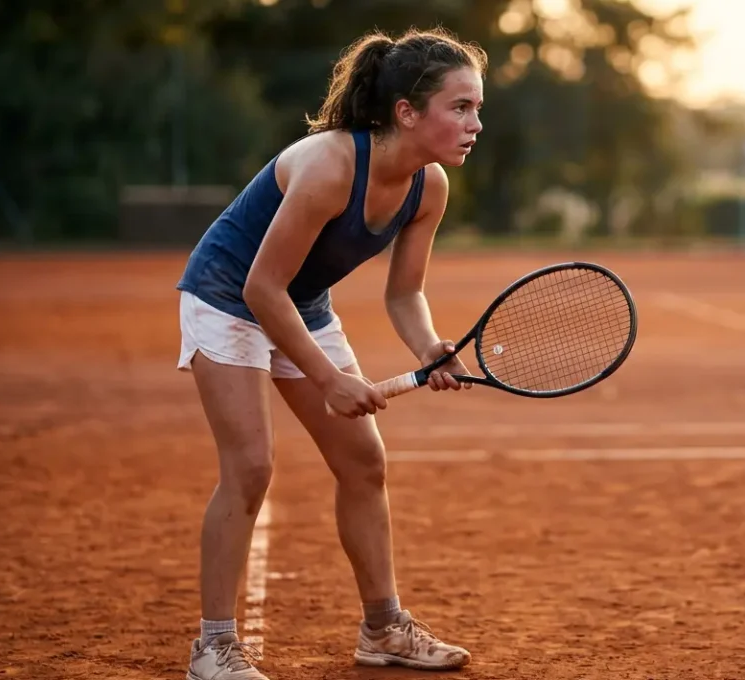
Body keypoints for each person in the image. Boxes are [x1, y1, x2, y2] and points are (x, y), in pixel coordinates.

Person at [174, 27, 487, 680]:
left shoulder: (428, 188)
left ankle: (383, 629)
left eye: (476, 109)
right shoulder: (329, 167)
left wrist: (430, 346)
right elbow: (261, 287)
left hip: (301, 303)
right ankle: (213, 647)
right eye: (460, 107)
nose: (474, 123)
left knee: (364, 461)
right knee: (252, 465)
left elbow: (406, 295)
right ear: (407, 112)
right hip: (226, 294)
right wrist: (329, 381)